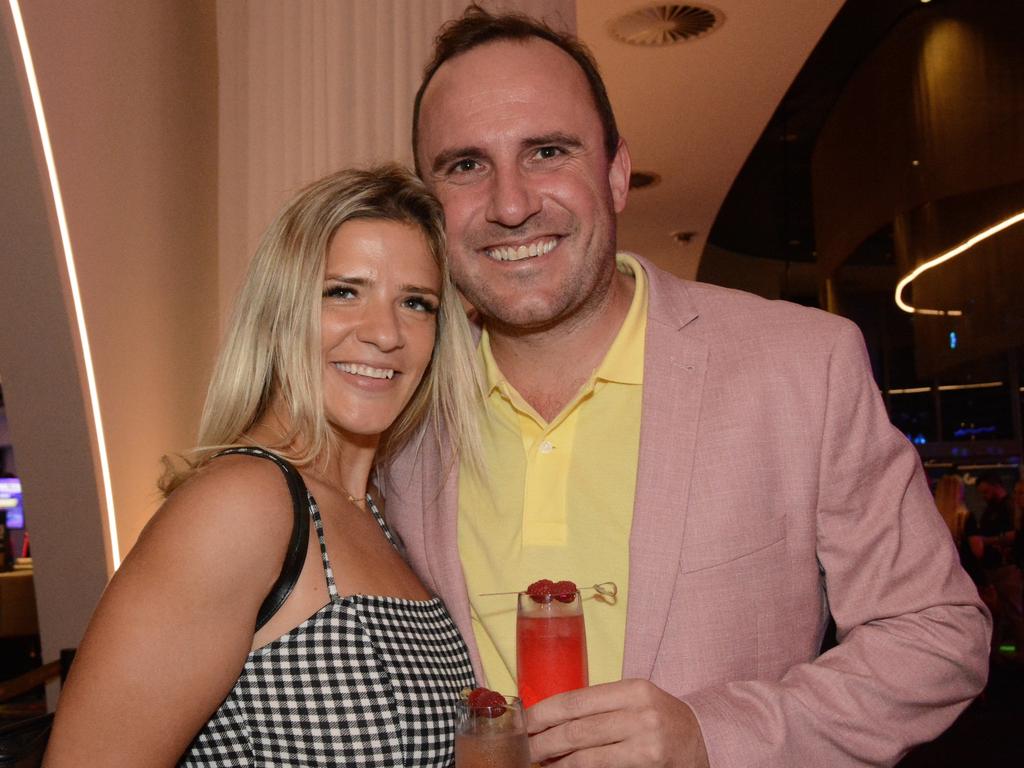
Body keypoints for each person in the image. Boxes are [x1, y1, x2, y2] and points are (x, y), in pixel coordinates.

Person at [383, 6, 991, 767]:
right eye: (465, 165)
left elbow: (938, 633)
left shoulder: (802, 365)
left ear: (615, 173)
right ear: (429, 206)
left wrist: (716, 735)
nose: (510, 204)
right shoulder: (398, 411)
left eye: (547, 151)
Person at [44, 166, 483, 766]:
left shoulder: (379, 512)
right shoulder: (244, 504)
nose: (385, 333)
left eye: (416, 303)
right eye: (343, 292)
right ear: (280, 313)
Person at [967, 472, 1024, 651]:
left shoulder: (1009, 507)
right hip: (994, 569)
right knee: (999, 615)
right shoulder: (991, 508)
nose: (984, 496)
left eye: (986, 491)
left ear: (996, 485)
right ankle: (1000, 654)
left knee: (1015, 613)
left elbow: (1014, 536)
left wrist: (987, 541)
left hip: (1005, 568)